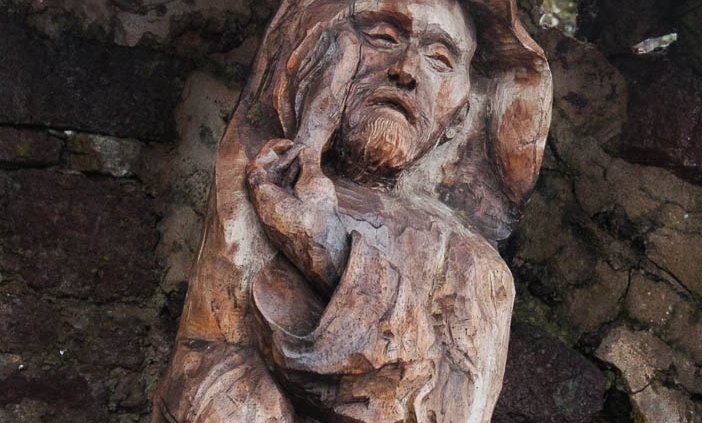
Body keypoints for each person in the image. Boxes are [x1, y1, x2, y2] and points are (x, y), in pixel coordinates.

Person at [152, 0, 550, 421]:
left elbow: (446, 411)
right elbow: (203, 359)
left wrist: (328, 250)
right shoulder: (268, 184)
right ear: (321, 56)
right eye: (383, 38)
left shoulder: (469, 264)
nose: (406, 70)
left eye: (439, 60)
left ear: (461, 115)